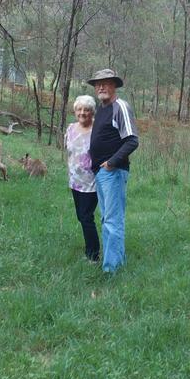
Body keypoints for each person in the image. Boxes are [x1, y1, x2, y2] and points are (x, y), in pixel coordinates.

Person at [85, 69, 138, 274]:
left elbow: (132, 139)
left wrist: (112, 163)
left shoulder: (120, 106)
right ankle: (115, 261)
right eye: (98, 84)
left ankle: (111, 270)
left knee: (112, 220)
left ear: (114, 85)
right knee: (106, 218)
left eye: (106, 83)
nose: (101, 87)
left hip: (113, 172)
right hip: (101, 173)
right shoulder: (102, 108)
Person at [65, 95, 99, 262]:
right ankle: (91, 248)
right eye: (79, 109)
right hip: (74, 181)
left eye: (86, 110)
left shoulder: (97, 131)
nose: (82, 112)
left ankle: (93, 255)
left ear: (92, 112)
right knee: (81, 216)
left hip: (91, 183)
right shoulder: (70, 128)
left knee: (86, 217)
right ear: (75, 110)